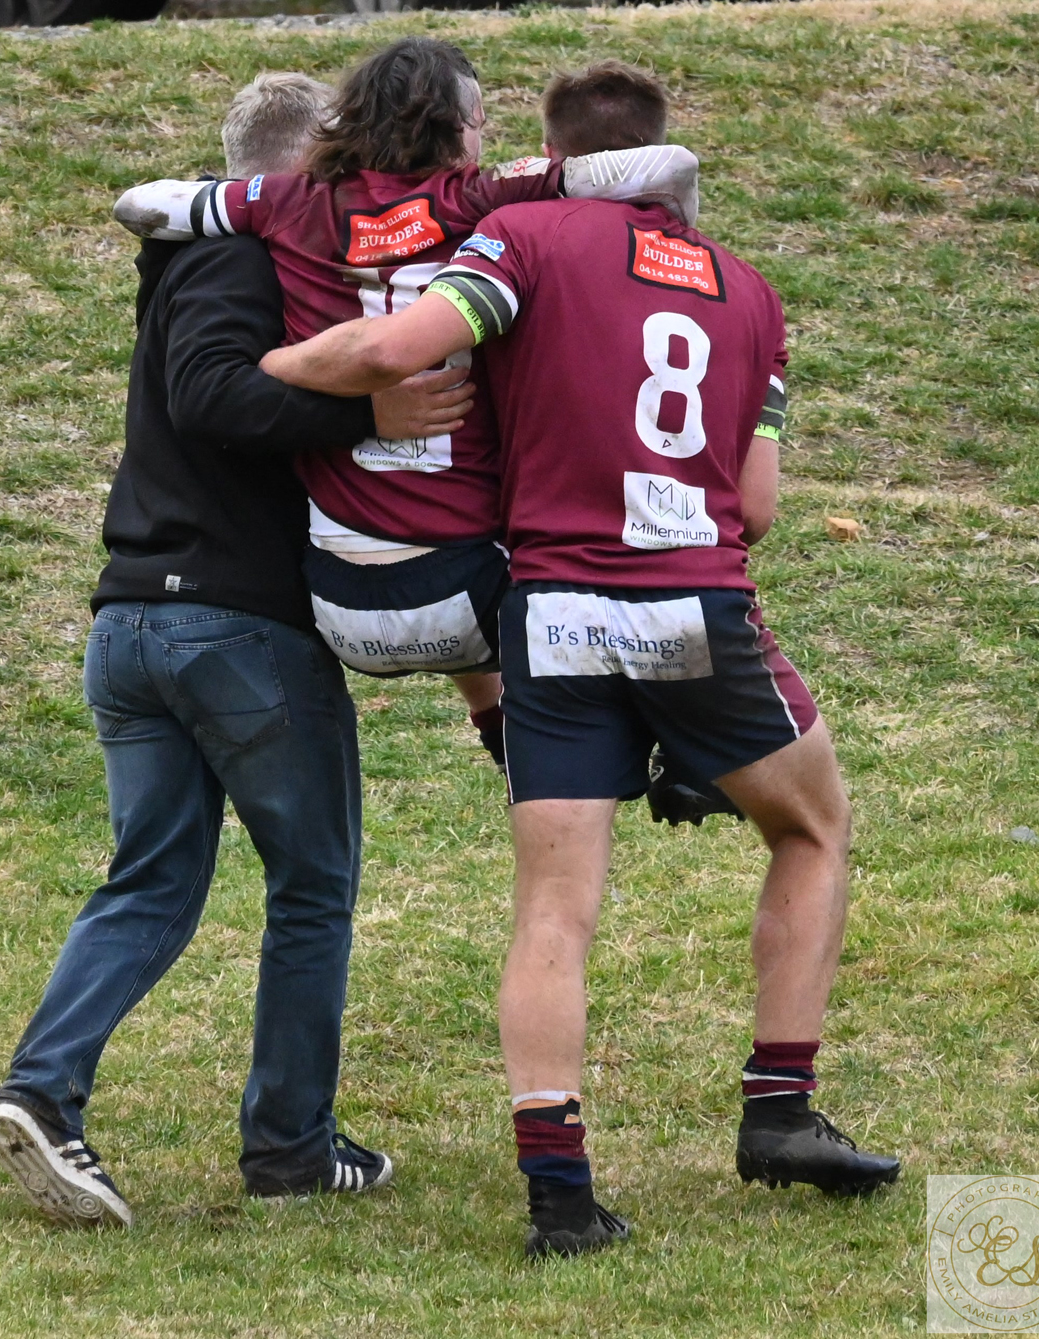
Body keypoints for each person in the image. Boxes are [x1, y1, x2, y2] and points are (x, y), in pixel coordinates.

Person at [259, 61, 902, 1260]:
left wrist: (278, 370)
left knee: (555, 907)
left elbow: (398, 349)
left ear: (557, 157)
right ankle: (781, 1111)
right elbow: (759, 508)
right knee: (813, 829)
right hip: (694, 606)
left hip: (551, 611)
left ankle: (559, 1191)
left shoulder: (519, 238)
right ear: (660, 156)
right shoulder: (752, 293)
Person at [0, 73, 474, 1228]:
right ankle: (291, 1146)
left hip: (134, 623)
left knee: (151, 879)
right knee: (313, 887)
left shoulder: (202, 257)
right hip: (234, 628)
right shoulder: (242, 255)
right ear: (306, 163)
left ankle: (42, 1095)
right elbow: (210, 396)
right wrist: (364, 417)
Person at [113, 39, 699, 767]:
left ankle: (501, 723)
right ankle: (684, 739)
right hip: (477, 587)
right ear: (460, 125)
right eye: (479, 121)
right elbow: (662, 167)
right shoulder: (483, 196)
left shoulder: (286, 201)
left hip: (337, 598)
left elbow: (138, 205)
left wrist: (233, 202)